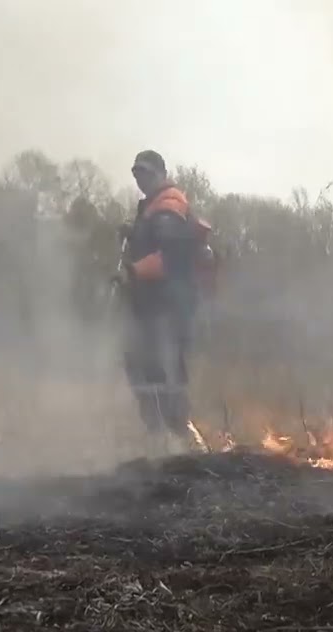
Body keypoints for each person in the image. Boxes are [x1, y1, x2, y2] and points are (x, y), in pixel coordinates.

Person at [114, 150, 209, 453]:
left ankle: (177, 437)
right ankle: (166, 436)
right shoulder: (154, 207)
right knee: (147, 366)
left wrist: (133, 271)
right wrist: (135, 231)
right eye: (136, 174)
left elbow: (171, 257)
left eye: (144, 173)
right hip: (155, 304)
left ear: (160, 173)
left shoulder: (167, 204)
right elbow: (154, 241)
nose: (139, 179)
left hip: (166, 306)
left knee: (159, 369)